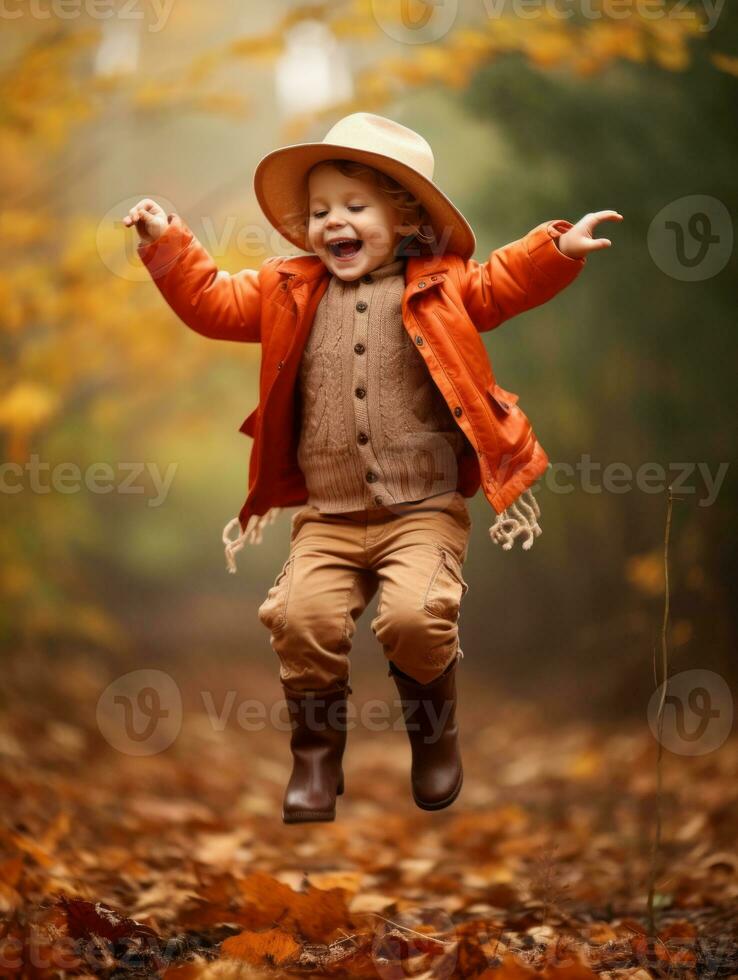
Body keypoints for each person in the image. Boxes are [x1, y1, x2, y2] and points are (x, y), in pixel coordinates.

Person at [124, 112, 622, 824]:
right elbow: (211, 303)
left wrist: (557, 248)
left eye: (356, 208)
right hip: (326, 519)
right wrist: (168, 242)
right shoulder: (286, 289)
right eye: (321, 211)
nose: (335, 224)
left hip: (422, 512)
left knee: (416, 619)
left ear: (408, 216)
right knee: (299, 618)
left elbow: (500, 286)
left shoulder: (443, 286)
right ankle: (317, 757)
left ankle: (433, 735)